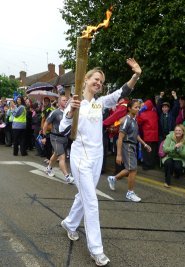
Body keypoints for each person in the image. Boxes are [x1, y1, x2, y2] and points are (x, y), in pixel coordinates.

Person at [59, 58, 142, 266]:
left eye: (101, 81)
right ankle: (97, 250)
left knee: (83, 196)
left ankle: (69, 224)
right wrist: (70, 112)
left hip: (97, 159)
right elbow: (62, 128)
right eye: (96, 79)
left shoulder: (99, 102)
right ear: (86, 80)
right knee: (91, 201)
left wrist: (136, 75)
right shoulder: (75, 102)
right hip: (80, 159)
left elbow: (121, 94)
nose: (99, 83)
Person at [107, 99, 151, 202]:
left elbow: (136, 135)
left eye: (139, 107)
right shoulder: (126, 120)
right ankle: (130, 193)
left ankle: (113, 178)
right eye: (136, 107)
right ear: (129, 108)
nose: (138, 109)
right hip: (126, 146)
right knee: (133, 169)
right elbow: (120, 138)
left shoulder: (134, 120)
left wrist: (144, 144)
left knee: (129, 168)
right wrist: (118, 155)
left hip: (133, 146)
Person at [41, 95, 74, 184]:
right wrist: (43, 137)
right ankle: (67, 177)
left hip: (65, 138)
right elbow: (46, 123)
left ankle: (48, 168)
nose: (65, 101)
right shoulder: (55, 112)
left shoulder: (70, 112)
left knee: (56, 154)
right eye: (63, 100)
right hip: (55, 138)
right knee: (62, 157)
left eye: (66, 100)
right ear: (59, 102)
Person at [137, 99, 159, 170]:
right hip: (155, 136)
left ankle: (146, 166)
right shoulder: (155, 113)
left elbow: (138, 122)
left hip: (147, 136)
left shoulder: (143, 114)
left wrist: (139, 113)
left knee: (146, 152)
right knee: (153, 152)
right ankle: (152, 165)